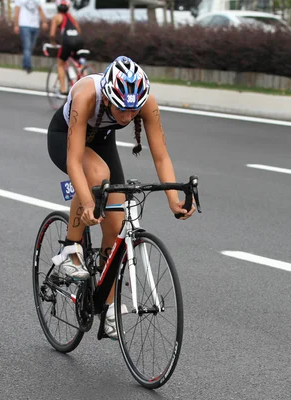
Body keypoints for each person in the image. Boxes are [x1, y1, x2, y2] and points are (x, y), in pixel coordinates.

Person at [46, 56, 196, 339]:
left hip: (102, 140)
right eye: (121, 110)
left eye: (133, 111)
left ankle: (109, 306)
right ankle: (70, 249)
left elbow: (161, 155)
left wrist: (173, 200)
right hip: (65, 136)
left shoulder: (145, 101)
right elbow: (75, 162)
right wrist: (88, 203)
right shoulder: (86, 94)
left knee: (115, 226)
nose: (127, 117)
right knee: (97, 175)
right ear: (107, 97)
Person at [49, 0, 83, 95]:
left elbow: (52, 34)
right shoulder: (71, 17)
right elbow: (78, 29)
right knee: (79, 63)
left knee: (60, 64)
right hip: (78, 41)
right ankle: (83, 76)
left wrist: (53, 43)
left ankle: (63, 90)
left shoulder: (57, 17)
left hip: (67, 42)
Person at [13, 0, 48, 74]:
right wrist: (16, 25)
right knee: (27, 46)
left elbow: (40, 10)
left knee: (31, 47)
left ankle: (25, 64)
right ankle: (28, 66)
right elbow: (17, 11)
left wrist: (44, 21)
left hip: (35, 25)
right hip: (24, 25)